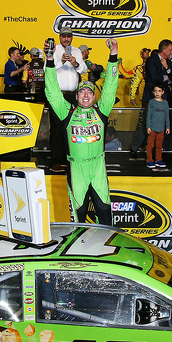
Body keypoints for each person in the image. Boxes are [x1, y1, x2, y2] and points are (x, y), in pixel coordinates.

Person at [43, 37, 119, 225]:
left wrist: (113, 55)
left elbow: (110, 86)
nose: (86, 95)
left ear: (94, 97)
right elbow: (52, 90)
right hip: (76, 169)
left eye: (90, 92)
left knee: (104, 213)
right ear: (76, 96)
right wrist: (50, 60)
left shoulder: (101, 111)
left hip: (97, 167)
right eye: (82, 92)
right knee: (79, 217)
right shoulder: (66, 112)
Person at [130, 39, 172, 159]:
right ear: (164, 49)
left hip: (164, 99)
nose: (171, 52)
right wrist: (166, 77)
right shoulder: (151, 60)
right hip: (150, 98)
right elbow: (154, 78)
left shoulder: (168, 62)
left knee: (163, 124)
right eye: (170, 49)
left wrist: (167, 69)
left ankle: (161, 150)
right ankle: (134, 148)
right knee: (146, 124)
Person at [49, 28, 88, 172]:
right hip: (58, 94)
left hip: (73, 94)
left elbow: (84, 69)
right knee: (57, 128)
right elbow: (47, 69)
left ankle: (70, 158)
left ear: (72, 37)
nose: (66, 39)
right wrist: (61, 61)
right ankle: (55, 161)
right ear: (59, 37)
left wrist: (76, 63)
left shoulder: (77, 51)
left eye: (69, 36)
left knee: (72, 127)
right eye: (64, 36)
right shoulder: (54, 50)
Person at [145, 82, 170, 169]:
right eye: (155, 91)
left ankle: (158, 159)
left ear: (163, 92)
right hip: (152, 128)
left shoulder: (165, 103)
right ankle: (149, 160)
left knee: (159, 145)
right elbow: (148, 115)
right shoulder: (151, 102)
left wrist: (168, 127)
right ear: (153, 92)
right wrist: (148, 126)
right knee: (150, 145)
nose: (157, 93)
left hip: (161, 128)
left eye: (159, 91)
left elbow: (167, 116)